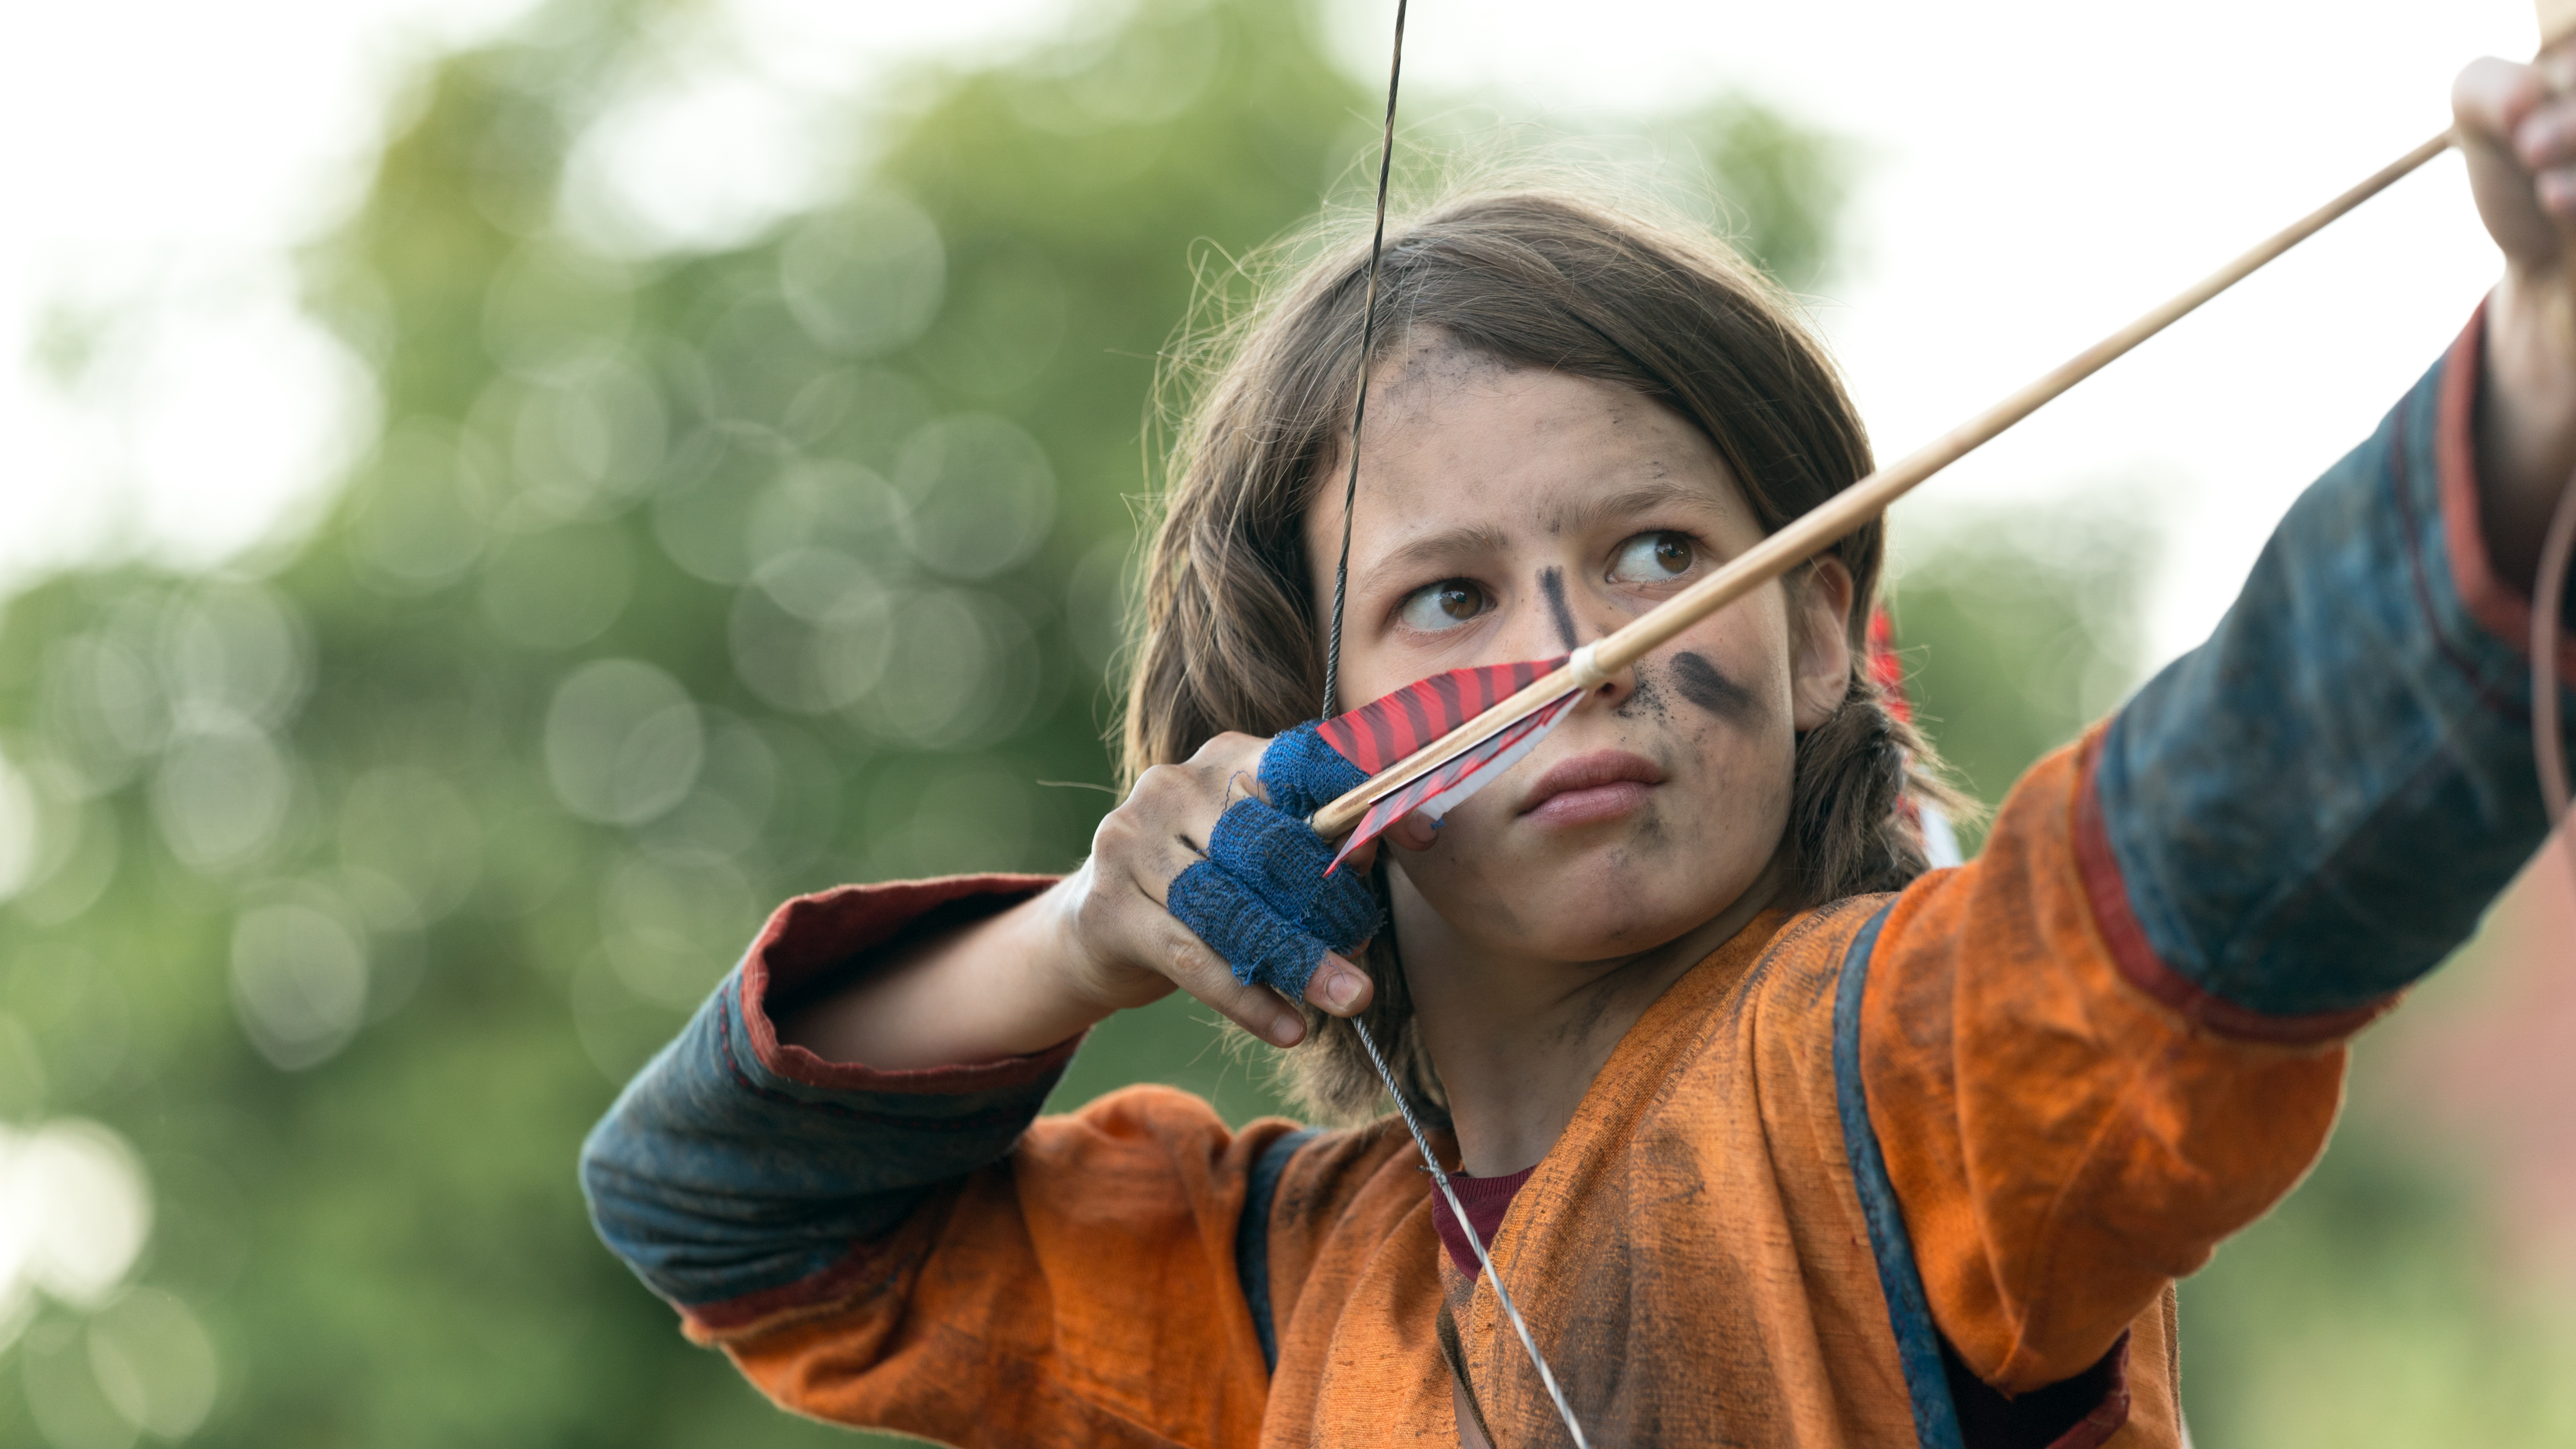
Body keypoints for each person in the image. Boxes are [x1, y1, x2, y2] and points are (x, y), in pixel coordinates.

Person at [578, 54, 2576, 1449]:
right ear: (1297, 738)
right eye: (1445, 598)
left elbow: (2230, 848)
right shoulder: (1258, 1293)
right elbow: (721, 1217)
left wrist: (2544, 358)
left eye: (1654, 556)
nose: (1574, 655)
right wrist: (1094, 936)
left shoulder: (1901, 1085)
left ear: (1814, 634)